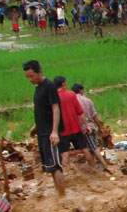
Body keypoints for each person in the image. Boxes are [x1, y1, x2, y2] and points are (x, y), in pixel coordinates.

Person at [24, 60, 65, 196]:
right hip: (42, 131)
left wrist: (54, 131)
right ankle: (58, 192)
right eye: (27, 77)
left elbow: (55, 108)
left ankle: (63, 196)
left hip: (49, 132)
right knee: (50, 166)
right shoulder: (38, 87)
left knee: (55, 165)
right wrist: (35, 127)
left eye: (32, 76)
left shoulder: (49, 86)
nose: (30, 79)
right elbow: (43, 110)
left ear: (40, 72)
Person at [53, 76, 96, 168]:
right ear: (63, 84)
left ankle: (68, 173)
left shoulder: (53, 97)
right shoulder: (71, 94)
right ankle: (94, 169)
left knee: (65, 153)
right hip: (75, 128)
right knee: (85, 149)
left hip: (62, 130)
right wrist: (86, 125)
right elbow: (80, 112)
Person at [71, 83, 112, 172]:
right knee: (92, 147)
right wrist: (100, 126)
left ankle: (102, 165)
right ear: (80, 90)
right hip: (90, 127)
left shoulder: (73, 101)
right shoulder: (88, 100)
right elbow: (94, 116)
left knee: (92, 148)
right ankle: (96, 166)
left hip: (82, 128)